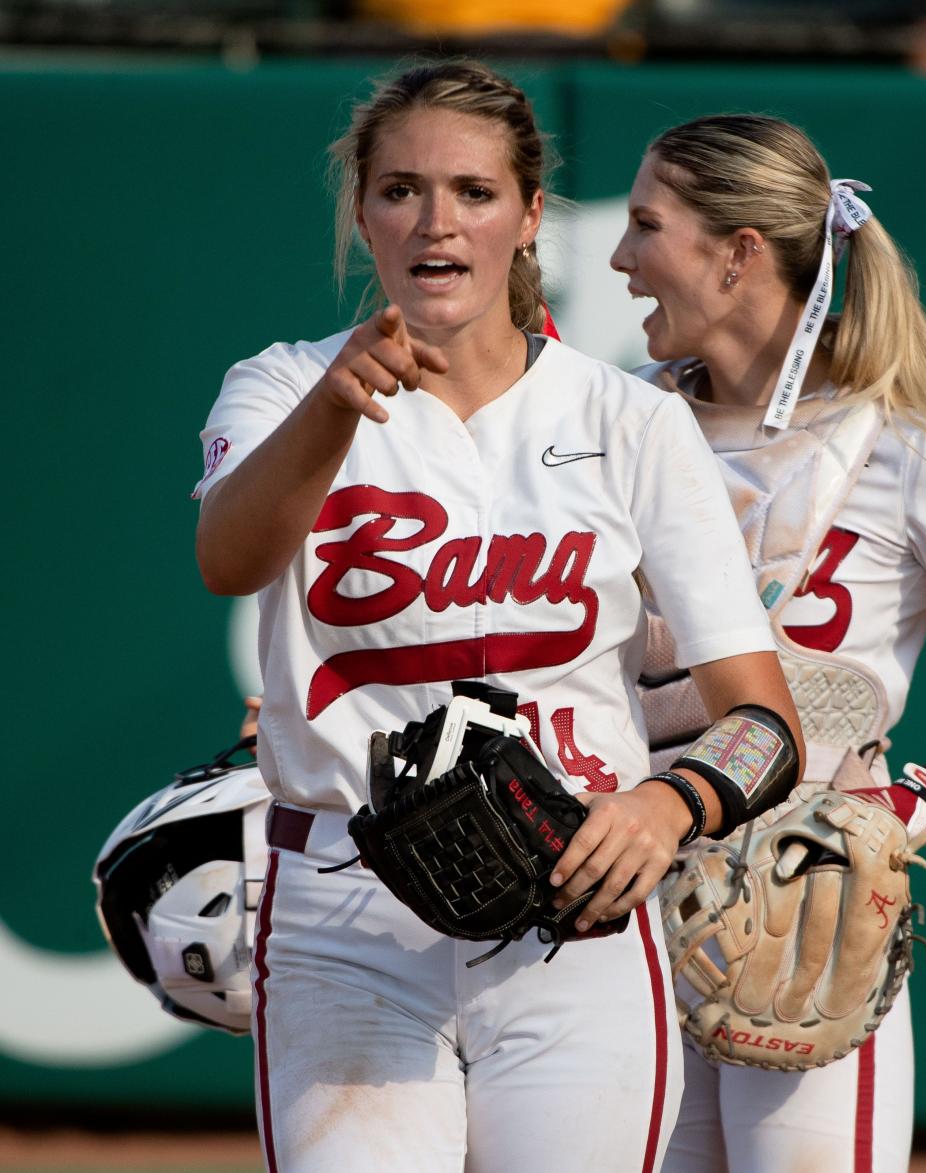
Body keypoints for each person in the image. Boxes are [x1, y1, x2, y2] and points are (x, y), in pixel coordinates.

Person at [193, 64, 805, 1173]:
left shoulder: (629, 421)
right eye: (400, 190)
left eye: (474, 192)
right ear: (362, 211)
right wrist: (336, 405)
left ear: (529, 218)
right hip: (344, 911)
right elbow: (229, 559)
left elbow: (764, 722)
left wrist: (672, 805)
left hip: (579, 909)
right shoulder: (281, 387)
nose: (437, 222)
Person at [609, 114, 926, 1173]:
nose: (619, 257)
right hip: (615, 896)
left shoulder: (914, 445)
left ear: (739, 252)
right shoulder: (611, 428)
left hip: (803, 904)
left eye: (647, 225)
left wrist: (907, 808)